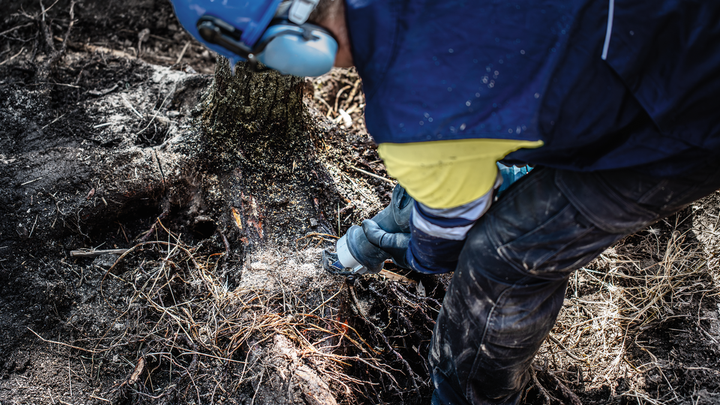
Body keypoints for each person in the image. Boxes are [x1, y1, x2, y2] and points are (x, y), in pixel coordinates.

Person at [169, 0, 720, 403]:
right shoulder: (419, 117)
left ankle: (467, 396)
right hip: (667, 31)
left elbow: (446, 243)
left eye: (262, 55)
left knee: (501, 259)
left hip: (687, 117)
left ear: (294, 41)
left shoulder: (412, 118)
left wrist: (417, 247)